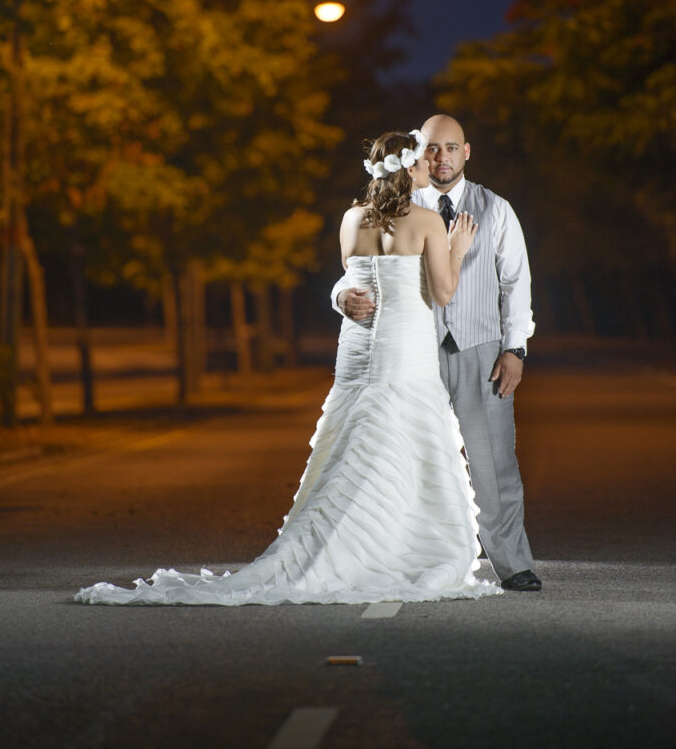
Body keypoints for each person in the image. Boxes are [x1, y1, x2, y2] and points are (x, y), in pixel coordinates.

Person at [76, 130, 501, 606]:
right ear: (408, 171)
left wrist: (341, 297)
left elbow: (348, 274)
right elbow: (443, 293)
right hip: (404, 350)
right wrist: (460, 248)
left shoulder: (350, 219)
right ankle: (378, 547)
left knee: (357, 445)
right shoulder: (427, 222)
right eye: (422, 162)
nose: (429, 168)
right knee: (392, 444)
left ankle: (350, 542)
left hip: (358, 351)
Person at [333, 115, 541, 592]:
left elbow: (516, 284)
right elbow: (359, 270)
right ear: (416, 155)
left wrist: (514, 347)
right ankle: (413, 556)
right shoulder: (398, 206)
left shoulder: (497, 209)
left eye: (451, 147)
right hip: (412, 351)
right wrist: (341, 297)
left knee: (493, 463)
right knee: (414, 458)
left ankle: (513, 562)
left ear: (466, 151)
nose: (441, 157)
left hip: (480, 349)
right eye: (432, 148)